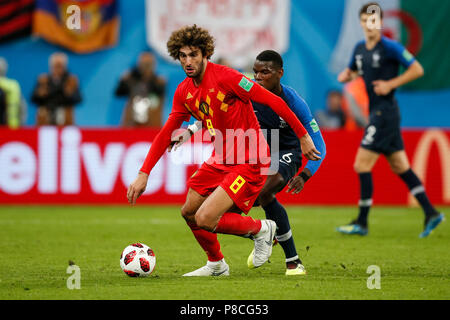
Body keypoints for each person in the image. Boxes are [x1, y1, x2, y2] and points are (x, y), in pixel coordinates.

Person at [126, 25, 321, 276]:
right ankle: (216, 264)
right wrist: (144, 172)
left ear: (205, 53)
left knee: (206, 218)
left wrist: (304, 136)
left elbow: (272, 100)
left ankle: (263, 229)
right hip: (220, 158)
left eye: (194, 54)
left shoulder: (228, 77)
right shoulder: (184, 91)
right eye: (183, 56)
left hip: (249, 159)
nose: (188, 61)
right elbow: (167, 132)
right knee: (189, 212)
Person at [171, 50, 327, 275]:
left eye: (265, 72)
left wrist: (305, 174)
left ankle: (292, 259)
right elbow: (216, 112)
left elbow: (319, 143)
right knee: (215, 211)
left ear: (280, 73)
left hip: (286, 152)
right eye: (256, 72)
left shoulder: (293, 101)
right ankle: (259, 235)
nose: (259, 77)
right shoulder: (248, 92)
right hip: (254, 154)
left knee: (264, 192)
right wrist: (191, 130)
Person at [336, 2, 444, 238]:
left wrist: (390, 84)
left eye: (374, 20)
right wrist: (347, 75)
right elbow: (354, 70)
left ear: (381, 22)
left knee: (361, 165)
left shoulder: (390, 47)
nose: (370, 24)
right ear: (362, 22)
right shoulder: (359, 48)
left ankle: (362, 223)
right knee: (400, 166)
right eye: (366, 20)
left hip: (384, 113)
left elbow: (417, 69)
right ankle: (431, 212)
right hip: (379, 113)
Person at [115, 52, 166, 127]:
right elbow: (118, 93)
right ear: (139, 64)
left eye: (149, 64)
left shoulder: (158, 81)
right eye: (144, 64)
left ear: (154, 65)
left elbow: (159, 99)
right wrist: (122, 82)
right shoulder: (131, 78)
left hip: (152, 121)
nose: (146, 66)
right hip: (132, 122)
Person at [31, 52, 81, 126]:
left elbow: (78, 99)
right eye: (55, 66)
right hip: (46, 118)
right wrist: (40, 94)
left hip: (65, 118)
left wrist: (69, 94)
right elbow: (34, 98)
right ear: (51, 66)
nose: (57, 69)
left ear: (65, 66)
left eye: (60, 66)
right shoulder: (43, 80)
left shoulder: (71, 80)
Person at [0, 57, 24, 128]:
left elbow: (21, 107)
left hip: (9, 128)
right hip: (11, 128)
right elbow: (22, 108)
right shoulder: (13, 86)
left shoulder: (12, 87)